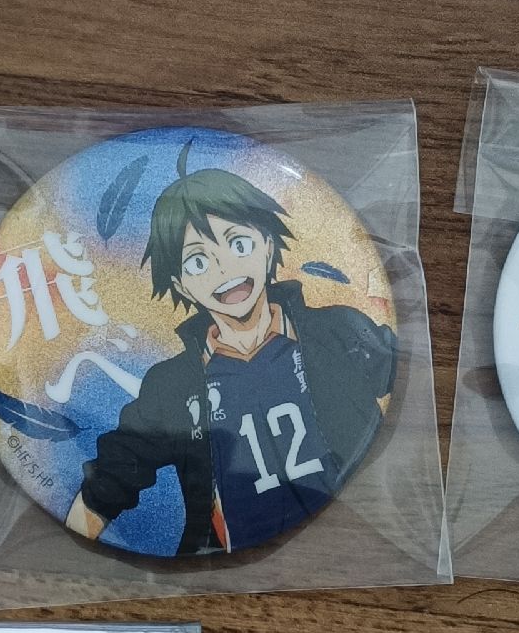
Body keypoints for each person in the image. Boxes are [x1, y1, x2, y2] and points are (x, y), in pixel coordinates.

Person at [65, 144, 396, 555]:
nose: (224, 269)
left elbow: (401, 374)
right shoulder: (172, 386)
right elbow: (112, 477)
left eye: (238, 244)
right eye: (197, 262)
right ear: (181, 284)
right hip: (231, 568)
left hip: (358, 535)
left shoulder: (337, 330)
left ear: (268, 245)